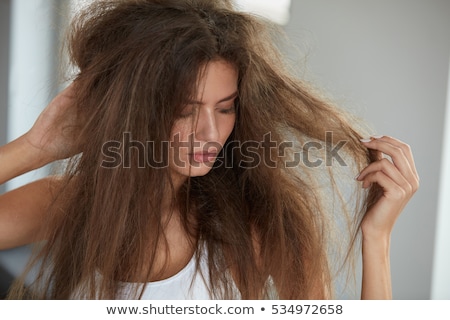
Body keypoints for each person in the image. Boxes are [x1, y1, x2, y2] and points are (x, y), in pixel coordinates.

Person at [0, 0, 418, 299]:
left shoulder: (256, 226)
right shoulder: (68, 203)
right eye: (185, 110)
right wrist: (35, 147)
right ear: (132, 110)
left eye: (225, 108)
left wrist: (376, 239)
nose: (209, 132)